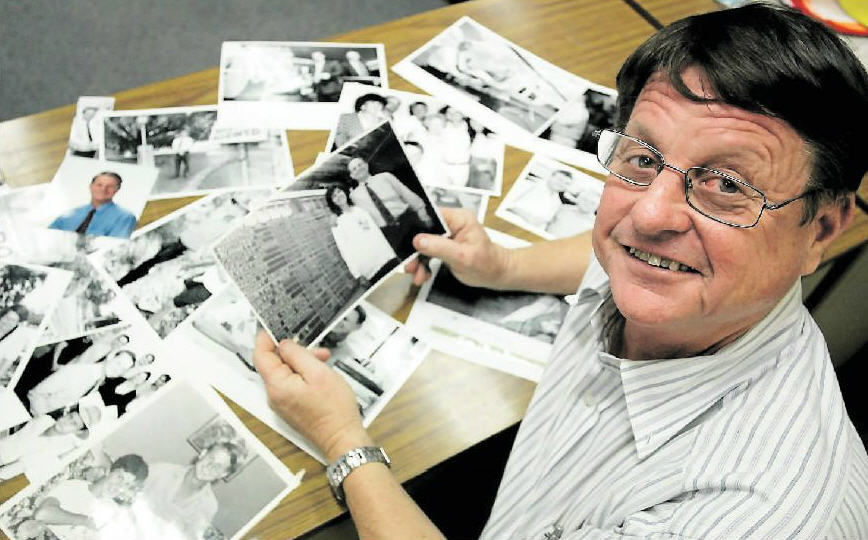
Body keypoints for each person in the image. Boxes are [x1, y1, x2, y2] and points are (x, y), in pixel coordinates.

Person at [253, 5, 868, 539]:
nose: (647, 215)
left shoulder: (744, 517)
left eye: (726, 185)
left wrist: (343, 443)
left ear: (821, 229)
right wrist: (505, 265)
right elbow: (626, 251)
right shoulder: (688, 280)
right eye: (642, 157)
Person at [139, 441, 245, 539]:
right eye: (211, 459)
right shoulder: (162, 470)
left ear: (223, 474)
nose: (209, 467)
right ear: (203, 454)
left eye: (218, 467)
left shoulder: (209, 506)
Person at [346, 157, 434, 259]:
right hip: (389, 233)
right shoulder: (354, 196)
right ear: (352, 175)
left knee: (431, 250)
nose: (358, 168)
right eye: (354, 168)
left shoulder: (385, 177)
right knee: (412, 261)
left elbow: (406, 193)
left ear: (366, 165)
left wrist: (423, 213)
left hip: (408, 220)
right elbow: (355, 214)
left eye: (360, 165)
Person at [326, 184, 399, 286]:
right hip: (369, 267)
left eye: (339, 191)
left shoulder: (359, 210)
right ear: (332, 202)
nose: (338, 196)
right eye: (334, 196)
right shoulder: (337, 222)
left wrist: (391, 253)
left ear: (344, 192)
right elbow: (344, 250)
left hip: (385, 257)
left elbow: (376, 232)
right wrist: (357, 274)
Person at [48, 172, 137, 239]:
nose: (103, 189)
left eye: (109, 186)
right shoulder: (71, 213)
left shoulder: (125, 218)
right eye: (99, 185)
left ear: (116, 190)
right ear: (91, 186)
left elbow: (113, 249)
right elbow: (46, 237)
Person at [504, 169, 576, 231]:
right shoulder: (529, 184)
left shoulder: (558, 202)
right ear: (551, 176)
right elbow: (504, 203)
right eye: (560, 179)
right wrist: (527, 217)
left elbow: (547, 221)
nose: (562, 184)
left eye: (567, 183)